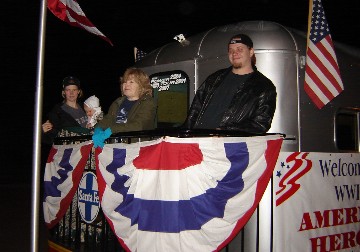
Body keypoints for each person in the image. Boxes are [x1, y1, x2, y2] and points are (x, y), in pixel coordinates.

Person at [183, 33, 277, 134]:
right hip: (197, 140)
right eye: (231, 50)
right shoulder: (215, 78)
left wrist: (224, 131)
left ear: (251, 52)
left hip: (227, 145)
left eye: (239, 49)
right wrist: (185, 133)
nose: (234, 53)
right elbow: (195, 110)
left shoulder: (264, 86)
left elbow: (260, 124)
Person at [96, 67, 156, 134]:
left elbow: (138, 126)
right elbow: (108, 119)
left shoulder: (147, 102)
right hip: (115, 142)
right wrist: (98, 128)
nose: (126, 85)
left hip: (137, 142)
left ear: (141, 86)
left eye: (131, 82)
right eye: (124, 82)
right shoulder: (118, 102)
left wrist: (111, 130)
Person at [42, 76, 90, 145]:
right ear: (64, 92)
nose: (71, 93)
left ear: (79, 91)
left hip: (90, 148)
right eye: (68, 90)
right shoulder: (57, 112)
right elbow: (51, 139)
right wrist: (42, 132)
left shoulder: (86, 107)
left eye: (74, 90)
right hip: (72, 151)